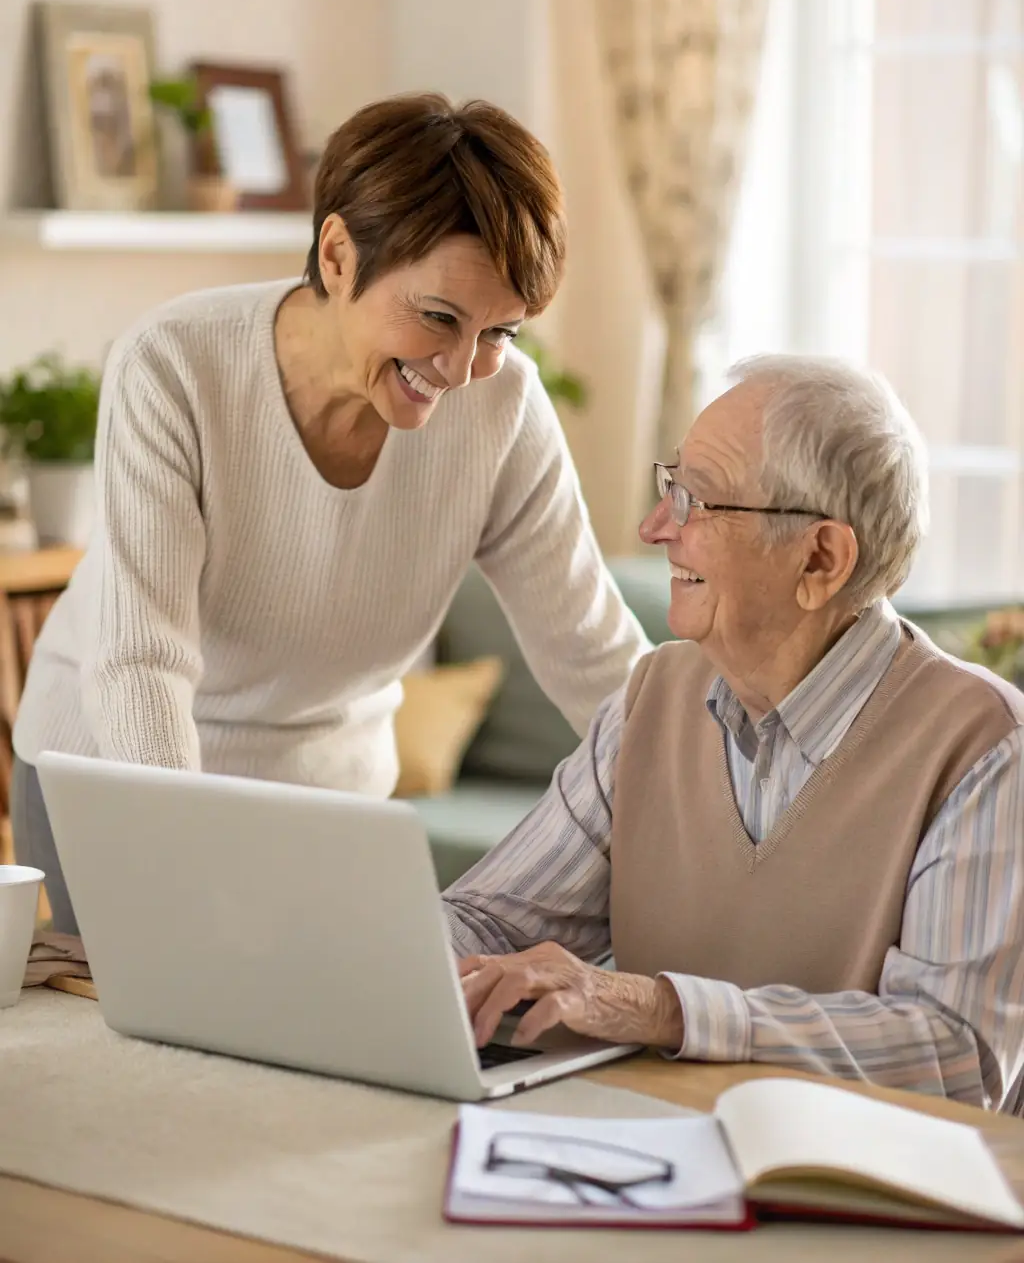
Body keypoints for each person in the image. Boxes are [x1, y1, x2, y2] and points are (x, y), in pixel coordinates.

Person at [12, 92, 649, 935]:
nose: (460, 369)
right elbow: (141, 664)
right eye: (437, 317)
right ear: (339, 253)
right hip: (118, 777)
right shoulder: (173, 367)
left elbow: (592, 651)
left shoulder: (502, 410)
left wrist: (736, 799)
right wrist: (179, 881)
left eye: (502, 331)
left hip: (328, 808)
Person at [445, 355, 1024, 1113]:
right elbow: (492, 920)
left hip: (880, 1205)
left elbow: (955, 1055)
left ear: (820, 558)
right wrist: (356, 939)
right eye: (669, 488)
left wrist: (665, 1008)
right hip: (661, 1160)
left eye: (696, 502)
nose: (655, 528)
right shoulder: (651, 699)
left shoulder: (987, 747)